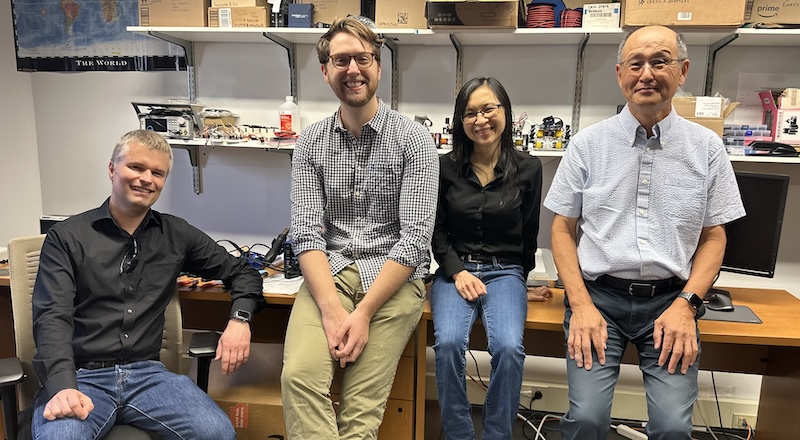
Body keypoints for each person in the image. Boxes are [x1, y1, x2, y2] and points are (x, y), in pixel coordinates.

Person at [543, 26, 745, 439]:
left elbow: (714, 237)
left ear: (683, 70)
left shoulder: (707, 149)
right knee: (587, 420)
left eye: (660, 61)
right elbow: (561, 229)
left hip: (671, 302)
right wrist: (580, 305)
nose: (647, 74)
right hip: (598, 298)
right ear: (620, 74)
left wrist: (688, 305)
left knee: (672, 427)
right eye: (636, 64)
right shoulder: (587, 145)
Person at [31, 129, 267, 439]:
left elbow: (243, 272)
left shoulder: (175, 234)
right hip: (81, 375)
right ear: (112, 169)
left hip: (148, 377)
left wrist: (240, 320)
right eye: (136, 167)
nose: (147, 179)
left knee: (217, 433)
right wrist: (62, 386)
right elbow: (52, 317)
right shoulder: (68, 237)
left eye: (157, 173)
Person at [279, 17, 439, 439]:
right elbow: (307, 234)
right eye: (341, 59)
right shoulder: (310, 143)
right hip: (328, 275)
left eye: (363, 58)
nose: (353, 69)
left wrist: (364, 313)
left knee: (359, 409)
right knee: (299, 378)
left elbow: (415, 240)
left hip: (392, 281)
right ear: (325, 70)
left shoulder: (414, 140)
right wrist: (333, 312)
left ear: (379, 67)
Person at [430, 77, 546, 440]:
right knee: (448, 345)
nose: (480, 119)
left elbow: (529, 233)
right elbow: (436, 230)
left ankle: (497, 434)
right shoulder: (444, 167)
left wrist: (519, 286)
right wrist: (457, 272)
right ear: (460, 121)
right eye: (470, 113)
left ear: (505, 112)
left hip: (505, 272)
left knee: (509, 349)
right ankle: (459, 433)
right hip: (454, 271)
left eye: (488, 109)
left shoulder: (529, 168)